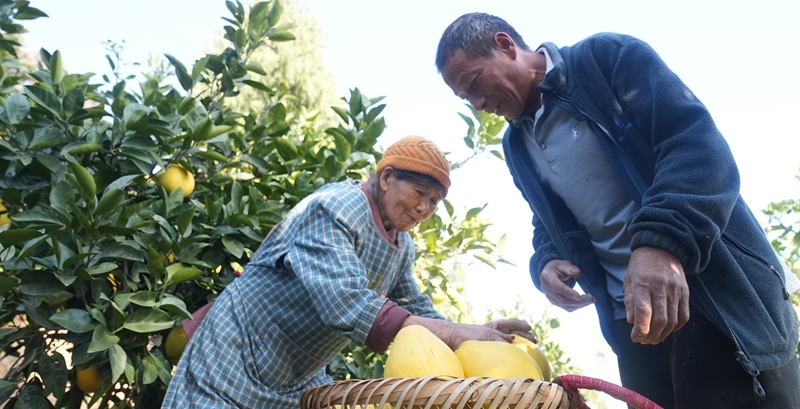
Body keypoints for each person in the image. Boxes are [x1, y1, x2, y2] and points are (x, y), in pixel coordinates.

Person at [435, 13, 800, 408]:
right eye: (465, 98)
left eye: (474, 83)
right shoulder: (515, 145)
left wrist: (661, 244)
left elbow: (697, 149)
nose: (477, 104)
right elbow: (547, 220)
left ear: (506, 46)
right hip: (633, 324)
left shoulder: (605, 60)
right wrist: (547, 260)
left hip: (709, 296)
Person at [162, 135, 535, 409]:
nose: (425, 209)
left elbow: (417, 311)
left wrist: (475, 336)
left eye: (434, 202)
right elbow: (347, 303)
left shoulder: (402, 246)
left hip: (294, 378)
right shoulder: (336, 207)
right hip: (234, 354)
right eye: (420, 193)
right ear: (386, 178)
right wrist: (457, 334)